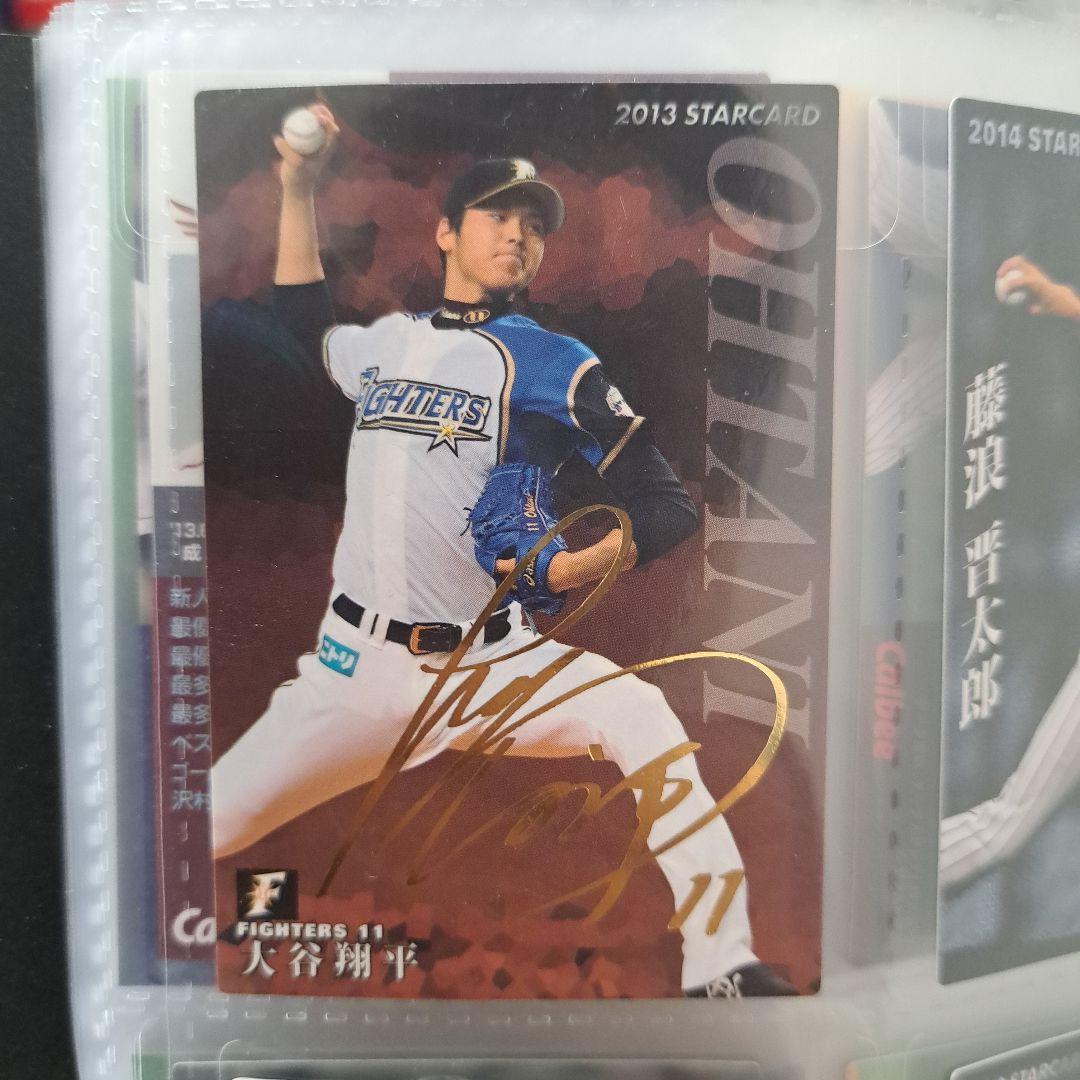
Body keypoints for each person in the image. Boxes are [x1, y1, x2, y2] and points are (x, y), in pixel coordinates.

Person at [209, 104, 796, 998]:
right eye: (497, 215)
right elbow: (301, 321)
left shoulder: (554, 361)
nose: (518, 234)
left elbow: (666, 507)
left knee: (638, 712)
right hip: (354, 671)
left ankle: (724, 963)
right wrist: (297, 186)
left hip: (490, 668)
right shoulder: (387, 343)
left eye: (534, 224)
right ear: (447, 231)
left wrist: (568, 569)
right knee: (205, 826)